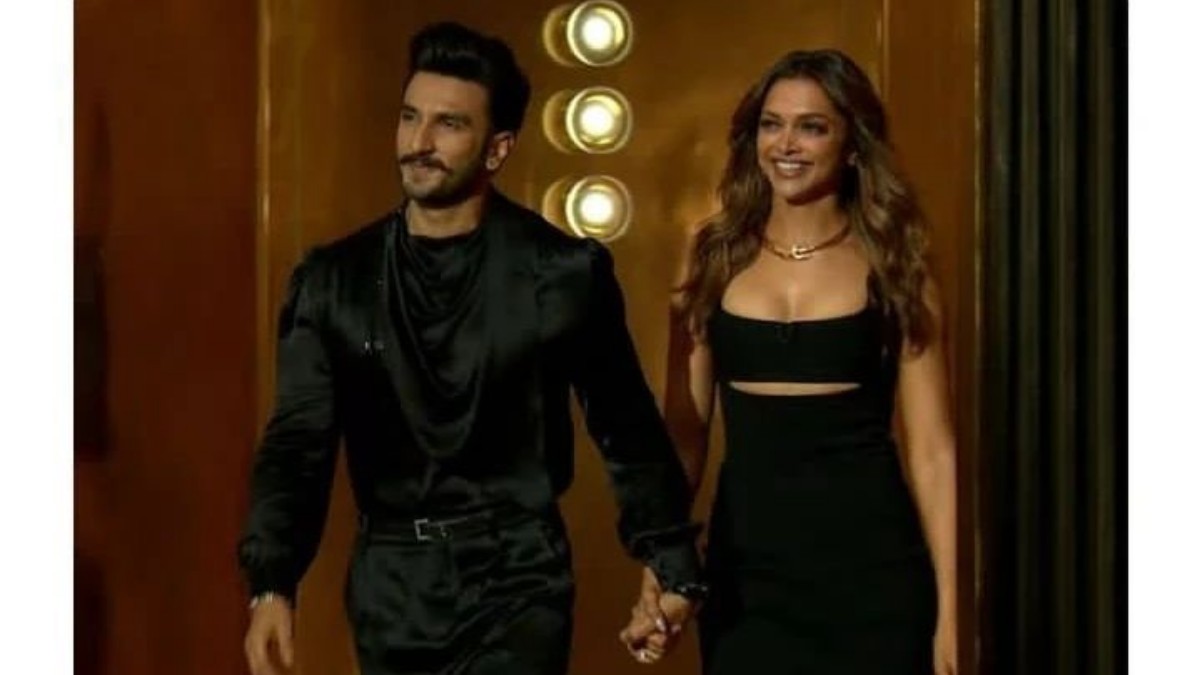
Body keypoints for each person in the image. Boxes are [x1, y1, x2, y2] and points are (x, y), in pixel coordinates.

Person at [237, 21, 702, 675]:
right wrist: (271, 583)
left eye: (448, 124)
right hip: (391, 581)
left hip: (517, 573)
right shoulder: (336, 280)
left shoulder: (558, 273)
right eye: (410, 117)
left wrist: (671, 560)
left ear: (497, 147)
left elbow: (625, 425)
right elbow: (297, 443)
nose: (419, 143)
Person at [627, 49, 959, 674]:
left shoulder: (896, 260)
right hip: (746, 575)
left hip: (874, 573)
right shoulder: (712, 252)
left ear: (852, 145)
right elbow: (684, 435)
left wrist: (952, 613)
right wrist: (664, 564)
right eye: (771, 124)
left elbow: (934, 452)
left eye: (812, 127)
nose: (786, 144)